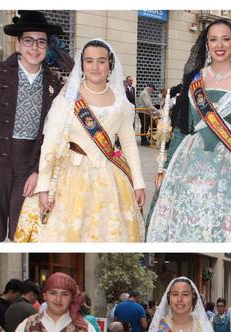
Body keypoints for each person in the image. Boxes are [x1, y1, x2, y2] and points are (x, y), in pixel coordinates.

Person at [146, 19, 231, 243]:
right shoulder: (193, 80)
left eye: (225, 39)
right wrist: (166, 169)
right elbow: (181, 129)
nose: (219, 45)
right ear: (206, 44)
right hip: (189, 166)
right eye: (213, 39)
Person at [15, 39, 145, 242]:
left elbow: (128, 144)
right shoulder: (68, 96)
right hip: (71, 174)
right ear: (82, 64)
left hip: (110, 177)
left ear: (110, 64)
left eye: (101, 61)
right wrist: (43, 186)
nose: (95, 67)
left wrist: (138, 183)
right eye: (89, 61)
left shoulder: (120, 101)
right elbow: (49, 142)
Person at [0, 11, 65, 242]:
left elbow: (54, 135)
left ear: (47, 47)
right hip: (0, 158)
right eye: (28, 41)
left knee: (21, 229)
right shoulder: (0, 74)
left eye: (41, 42)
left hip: (31, 163)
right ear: (18, 43)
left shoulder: (54, 84)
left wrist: (38, 171)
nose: (34, 48)